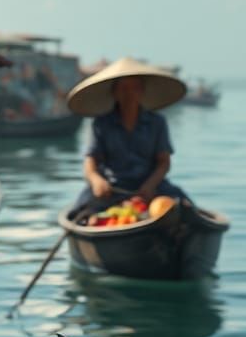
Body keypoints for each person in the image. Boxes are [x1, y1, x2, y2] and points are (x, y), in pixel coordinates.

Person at [66, 56, 190, 218]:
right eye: (124, 88)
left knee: (187, 210)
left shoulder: (156, 122)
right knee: (80, 214)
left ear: (142, 91)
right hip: (112, 189)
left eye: (134, 88)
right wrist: (97, 180)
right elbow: (91, 161)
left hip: (150, 186)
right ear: (115, 92)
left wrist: (149, 186)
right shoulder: (101, 124)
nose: (129, 93)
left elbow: (163, 162)